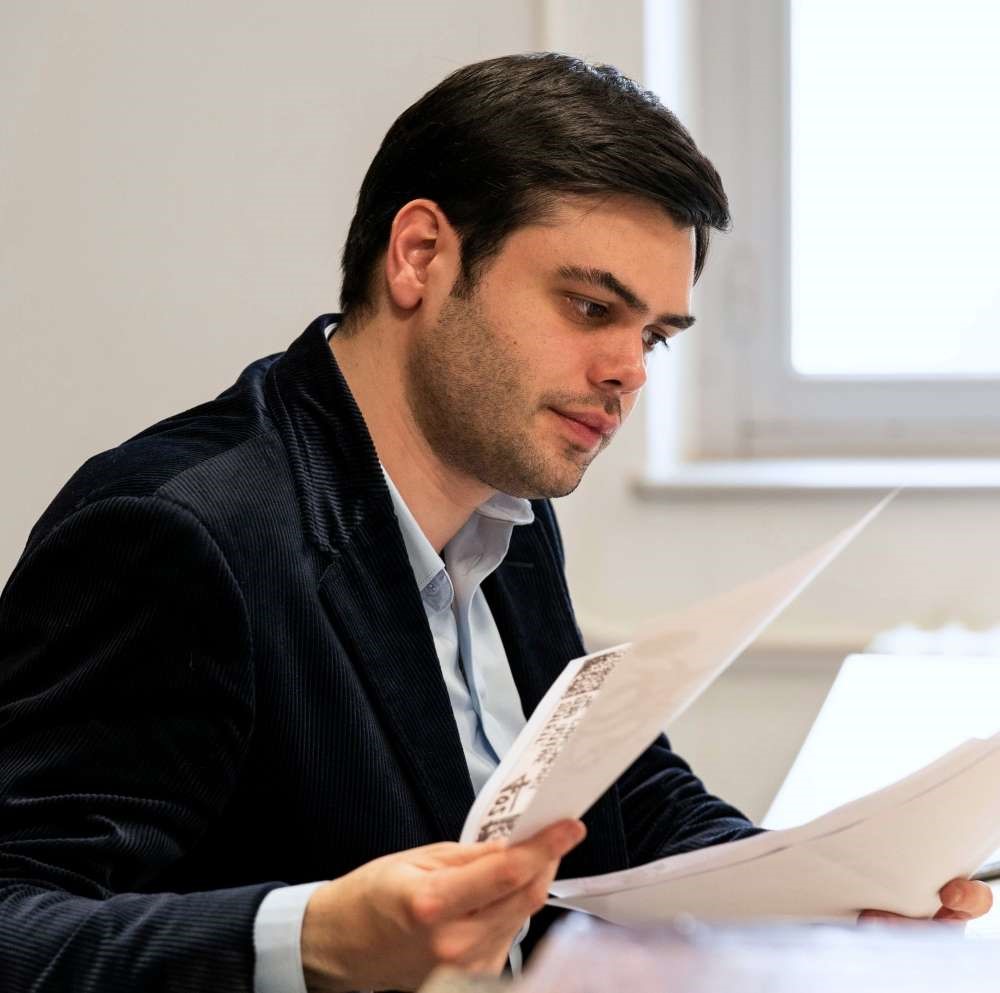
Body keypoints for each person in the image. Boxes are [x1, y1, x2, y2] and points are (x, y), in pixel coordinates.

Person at [0, 52, 989, 993]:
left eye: (652, 336)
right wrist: (314, 936)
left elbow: (621, 795)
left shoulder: (503, 497)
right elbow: (16, 922)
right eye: (590, 308)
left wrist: (823, 895)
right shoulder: (176, 533)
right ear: (421, 255)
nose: (629, 372)